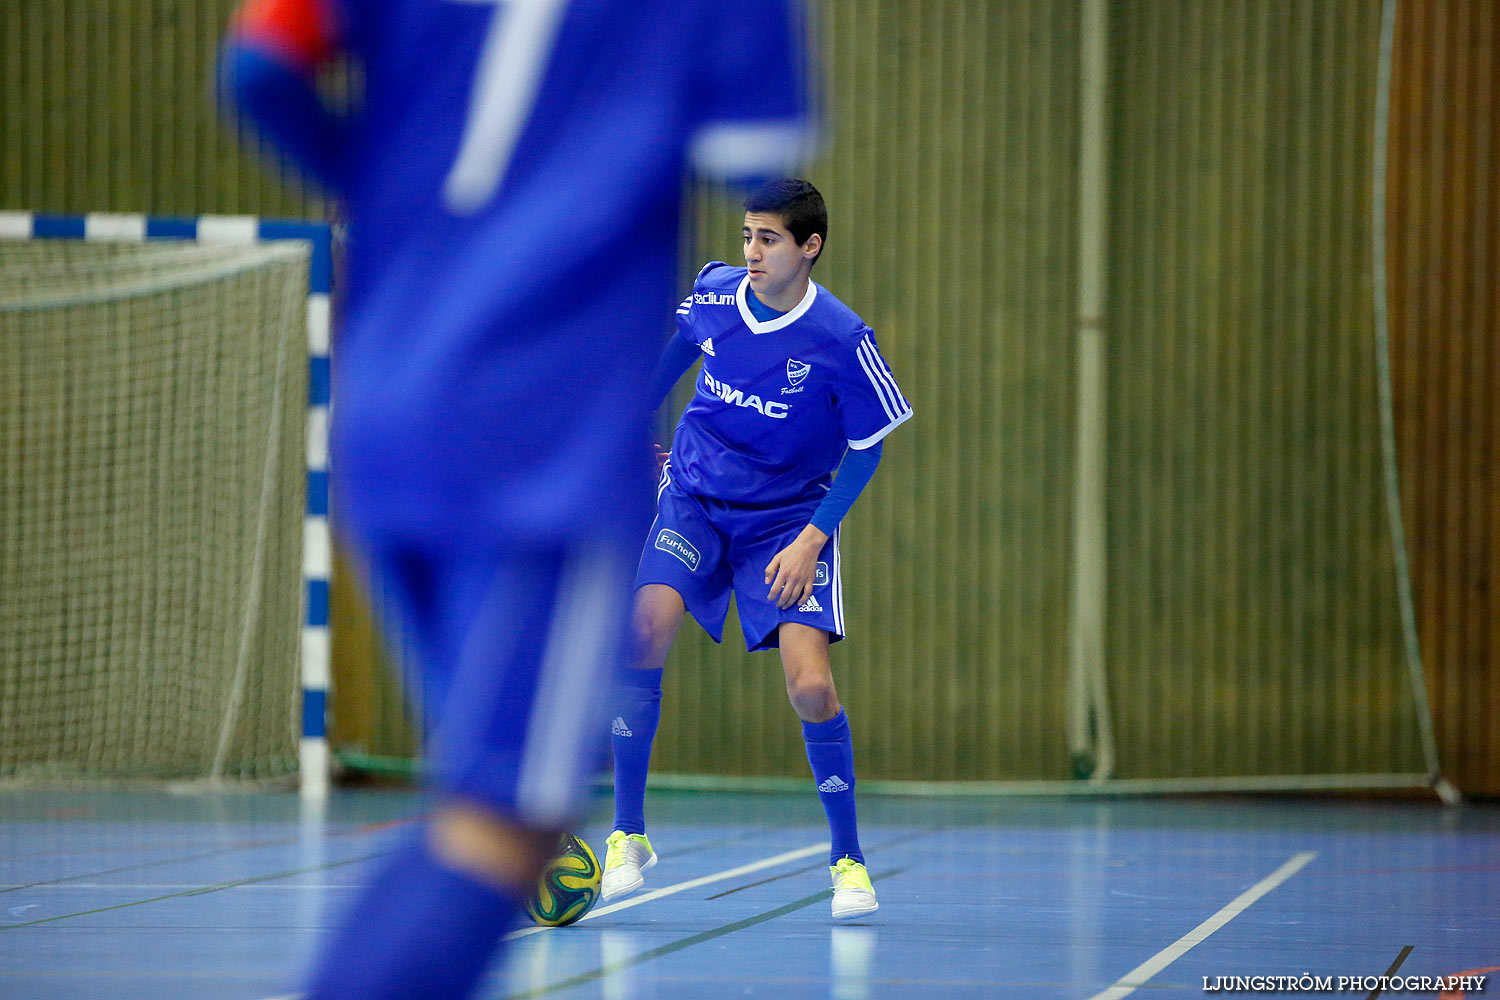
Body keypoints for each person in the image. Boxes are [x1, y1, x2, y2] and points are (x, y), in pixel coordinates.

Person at [219, 2, 816, 998]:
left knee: (487, 786)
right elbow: (754, 151)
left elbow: (258, 71)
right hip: (540, 437)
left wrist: (397, 199)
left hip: (389, 405)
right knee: (503, 819)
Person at [605, 178, 911, 921]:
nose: (751, 252)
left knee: (811, 687)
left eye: (768, 239)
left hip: (787, 524)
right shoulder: (715, 297)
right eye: (746, 235)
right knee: (643, 628)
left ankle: (848, 862)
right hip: (696, 500)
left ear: (809, 247)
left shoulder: (842, 341)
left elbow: (866, 450)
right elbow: (672, 355)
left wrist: (813, 539)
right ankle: (627, 834)